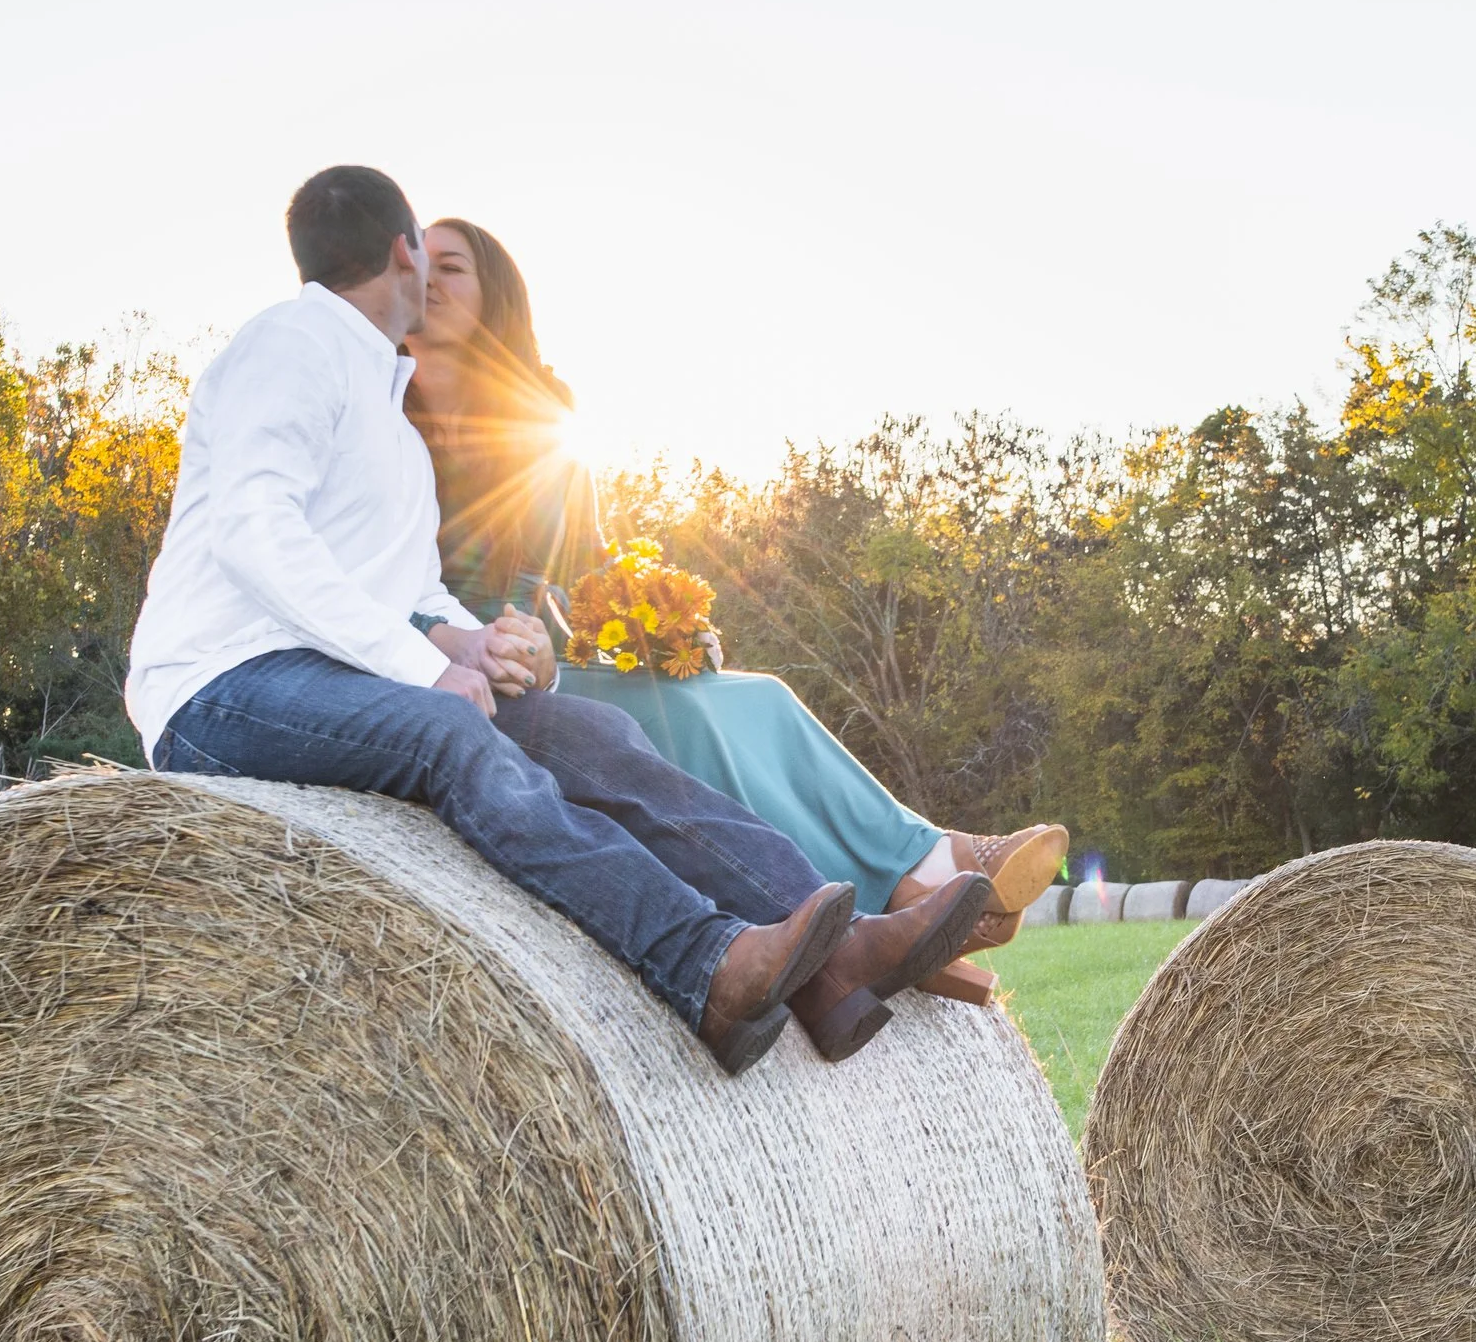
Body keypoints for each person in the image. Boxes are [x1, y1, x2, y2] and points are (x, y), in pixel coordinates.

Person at [125, 166, 992, 1073]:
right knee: (447, 733)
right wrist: (428, 670)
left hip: (334, 679)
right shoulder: (292, 341)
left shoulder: (391, 424)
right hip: (219, 688)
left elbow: (416, 595)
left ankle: (834, 947)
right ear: (404, 250)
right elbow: (254, 533)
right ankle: (705, 967)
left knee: (591, 734)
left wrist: (480, 644)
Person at [400, 217, 1067, 1007]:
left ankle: (915, 880)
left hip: (542, 656)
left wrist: (660, 620)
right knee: (691, 718)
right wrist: (493, 641)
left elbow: (579, 573)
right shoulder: (382, 421)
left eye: (453, 266)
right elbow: (379, 582)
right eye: (422, 263)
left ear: (495, 301)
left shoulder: (541, 430)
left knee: (756, 695)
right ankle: (915, 888)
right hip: (446, 665)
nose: (430, 279)